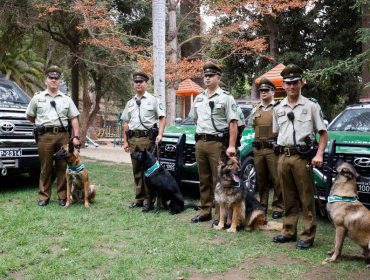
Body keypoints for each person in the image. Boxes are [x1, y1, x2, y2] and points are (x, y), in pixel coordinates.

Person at [272, 64, 328, 249]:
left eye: (295, 82)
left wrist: (319, 154)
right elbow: (277, 133)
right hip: (283, 157)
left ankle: (307, 236)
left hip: (302, 158)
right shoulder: (278, 108)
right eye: (288, 83)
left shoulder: (311, 105)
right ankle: (288, 231)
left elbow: (323, 133)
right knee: (287, 197)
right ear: (283, 85)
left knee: (305, 197)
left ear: (301, 83)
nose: (291, 87)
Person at [189, 62, 239, 225]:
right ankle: (205, 211)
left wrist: (231, 145)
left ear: (218, 77)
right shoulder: (199, 97)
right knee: (203, 178)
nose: (207, 78)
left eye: (211, 75)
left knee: (217, 180)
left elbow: (233, 123)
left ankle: (220, 216)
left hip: (217, 144)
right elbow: (195, 119)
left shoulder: (226, 97)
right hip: (201, 142)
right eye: (205, 75)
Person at [26, 65, 80, 206]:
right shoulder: (38, 98)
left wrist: (76, 137)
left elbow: (74, 118)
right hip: (45, 136)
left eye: (56, 78)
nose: (54, 80)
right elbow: (30, 116)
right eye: (51, 78)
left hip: (62, 136)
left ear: (60, 81)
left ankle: (62, 196)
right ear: (46, 80)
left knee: (62, 167)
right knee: (45, 167)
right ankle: (44, 196)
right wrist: (40, 124)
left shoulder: (66, 99)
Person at [121, 70, 166, 210]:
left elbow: (162, 117)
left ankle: (149, 200)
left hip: (147, 140)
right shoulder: (130, 103)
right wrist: (125, 141)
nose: (138, 84)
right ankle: (139, 199)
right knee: (136, 170)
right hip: (133, 139)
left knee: (148, 171)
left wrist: (160, 134)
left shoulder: (153, 100)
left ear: (146, 84)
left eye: (141, 82)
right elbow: (125, 122)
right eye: (136, 82)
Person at [250, 78, 284, 219]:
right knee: (261, 178)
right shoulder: (255, 109)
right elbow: (253, 127)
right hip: (258, 149)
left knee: (277, 179)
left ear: (273, 92)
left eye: (266, 90)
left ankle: (278, 206)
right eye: (261, 90)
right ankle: (262, 204)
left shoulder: (279, 108)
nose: (263, 92)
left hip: (273, 148)